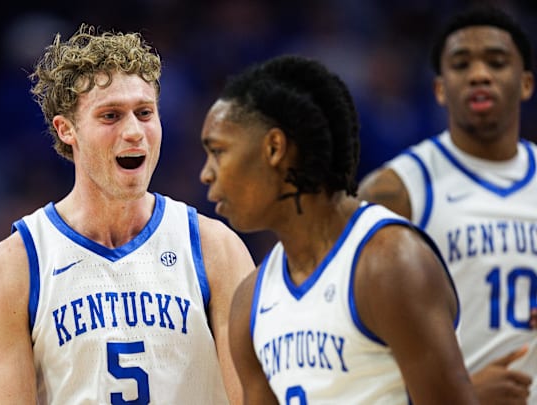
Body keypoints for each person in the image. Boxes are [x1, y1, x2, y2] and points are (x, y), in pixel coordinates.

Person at [0, 23, 254, 404]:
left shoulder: (215, 249)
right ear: (66, 129)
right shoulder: (12, 268)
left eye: (144, 112)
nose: (135, 131)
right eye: (111, 116)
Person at [199, 54, 478, 404]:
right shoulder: (250, 301)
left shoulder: (388, 262)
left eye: (218, 152)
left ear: (274, 148)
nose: (206, 174)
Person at [357, 5, 536, 404]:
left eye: (497, 61)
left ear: (526, 84)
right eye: (461, 63)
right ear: (439, 88)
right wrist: (459, 395)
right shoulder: (395, 189)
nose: (479, 74)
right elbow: (352, 335)